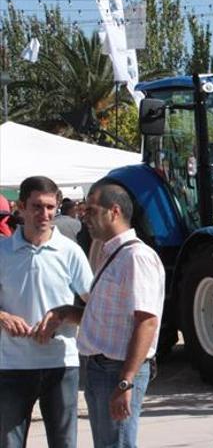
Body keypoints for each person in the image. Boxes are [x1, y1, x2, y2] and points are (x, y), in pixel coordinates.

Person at [36, 179, 165, 447]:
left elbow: (147, 322)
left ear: (114, 212)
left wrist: (125, 382)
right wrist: (65, 313)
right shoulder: (112, 254)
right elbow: (107, 317)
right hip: (100, 367)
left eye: (92, 211)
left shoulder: (136, 257)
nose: (85, 218)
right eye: (84, 211)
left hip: (117, 371)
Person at [0, 176, 92, 448]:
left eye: (51, 207)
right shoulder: (3, 251)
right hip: (11, 366)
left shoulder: (70, 251)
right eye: (37, 206)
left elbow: (95, 309)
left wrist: (62, 315)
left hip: (60, 364)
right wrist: (3, 316)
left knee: (64, 444)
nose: (45, 214)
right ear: (21, 207)